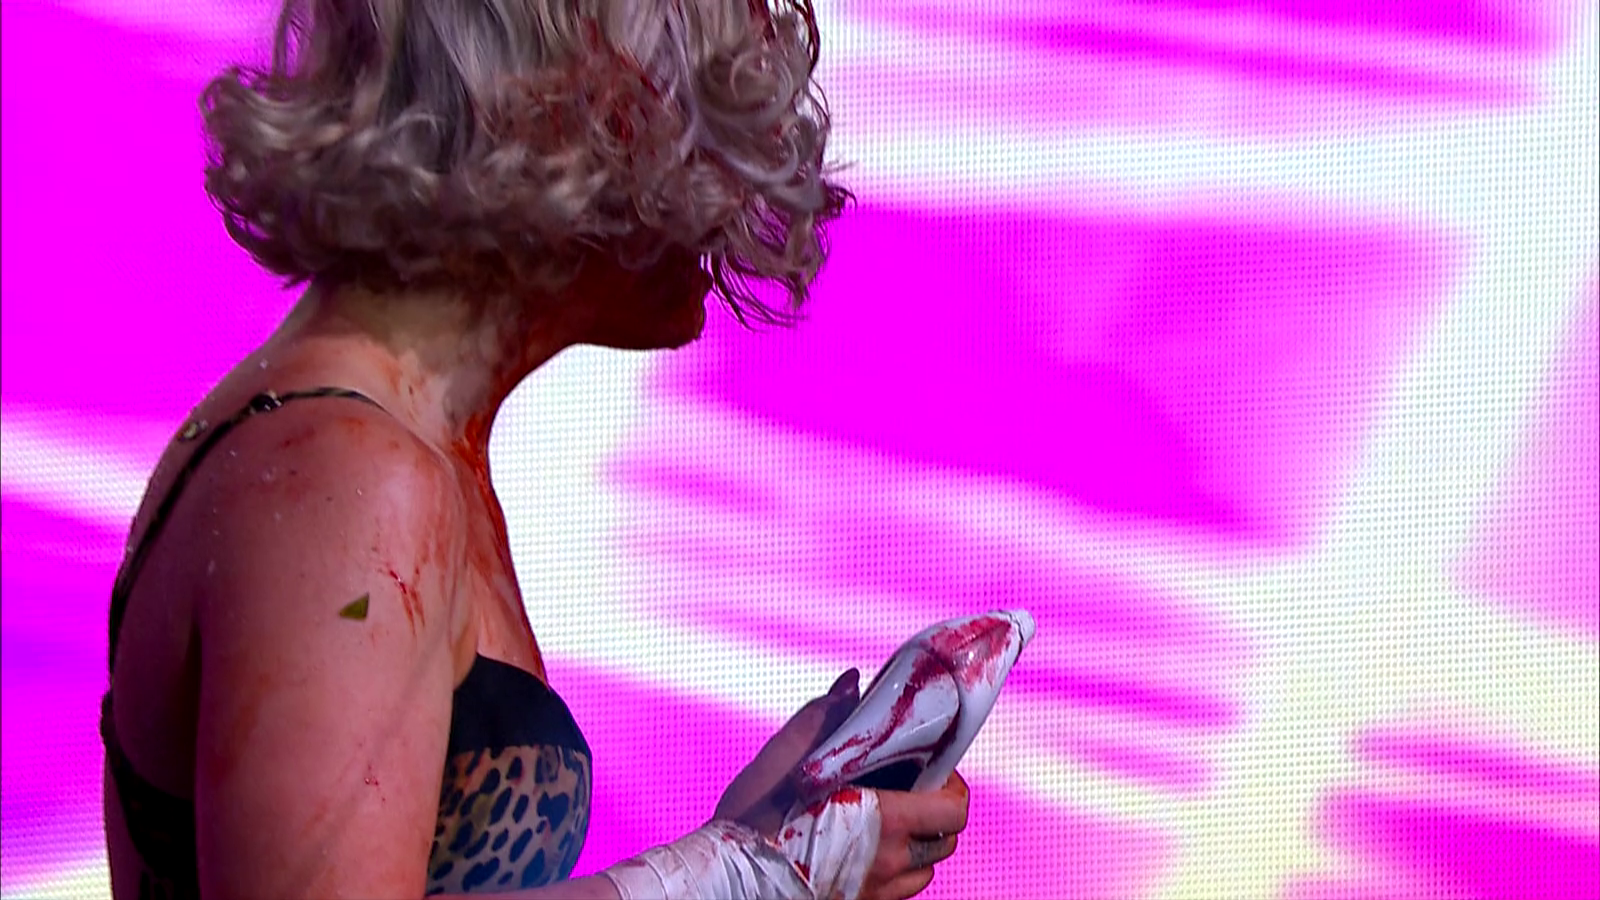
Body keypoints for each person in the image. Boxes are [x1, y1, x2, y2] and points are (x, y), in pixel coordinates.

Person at [99, 1, 972, 898]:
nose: (742, 186)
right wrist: (736, 878)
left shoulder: (388, 450)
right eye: (709, 116)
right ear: (580, 116)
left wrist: (754, 843)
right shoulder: (348, 478)